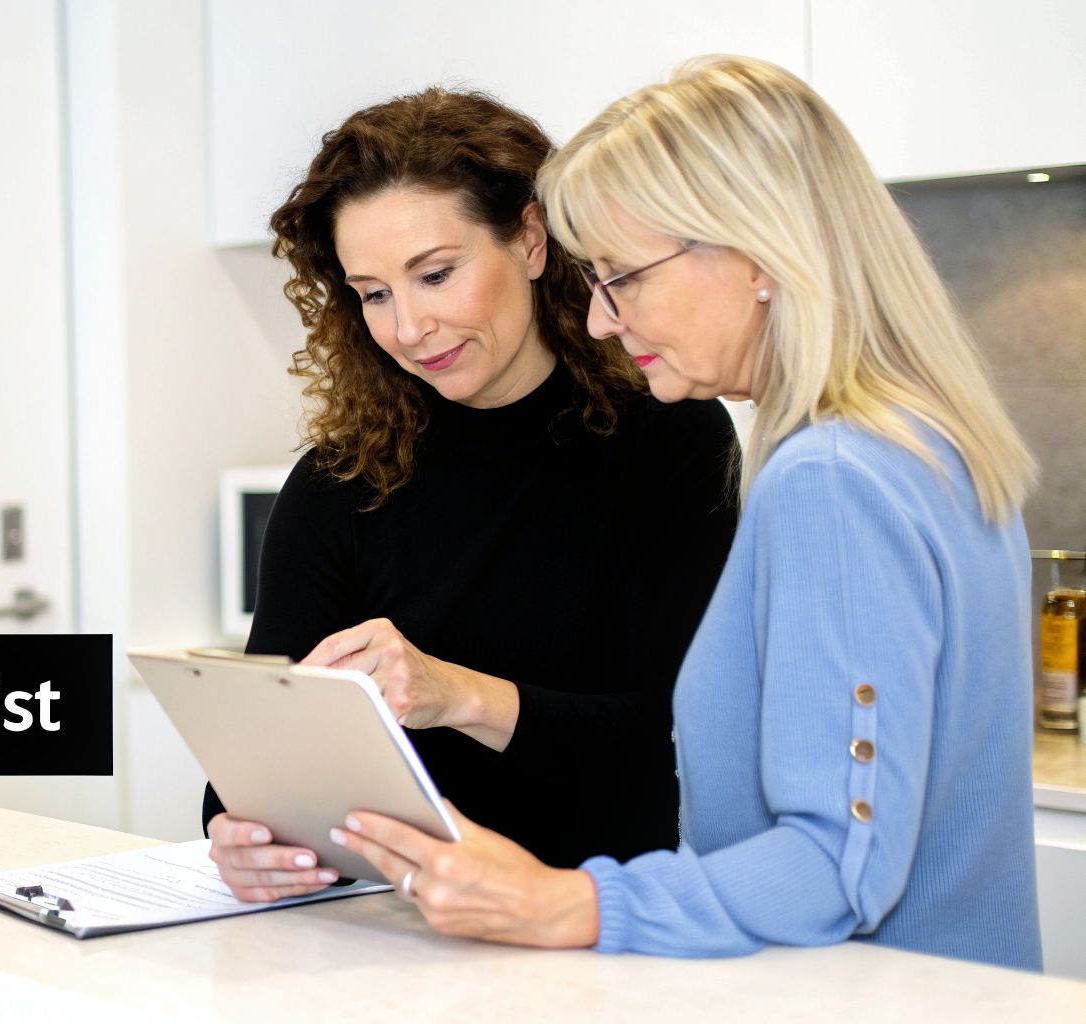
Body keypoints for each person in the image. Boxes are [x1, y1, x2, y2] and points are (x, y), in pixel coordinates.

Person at [329, 55, 1044, 972]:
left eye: (622, 276)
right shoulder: (928, 441)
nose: (600, 319)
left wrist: (562, 900)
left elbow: (837, 865)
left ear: (756, 255)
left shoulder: (834, 478)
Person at [203, 88, 741, 901]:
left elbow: (671, 738)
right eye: (374, 293)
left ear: (530, 240)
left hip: (598, 918)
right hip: (390, 921)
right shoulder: (337, 481)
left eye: (436, 275)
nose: (408, 327)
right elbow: (251, 769)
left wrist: (456, 694)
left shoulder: (670, 438)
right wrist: (238, 837)